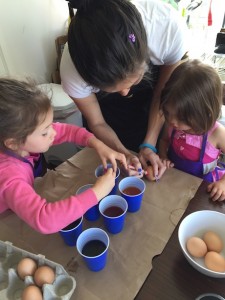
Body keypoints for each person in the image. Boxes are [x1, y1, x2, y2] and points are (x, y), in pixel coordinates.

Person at [60, 0, 188, 179]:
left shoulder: (167, 30)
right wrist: (124, 153)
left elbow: (162, 96)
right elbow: (97, 123)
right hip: (110, 116)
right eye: (111, 89)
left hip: (152, 102)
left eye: (133, 81)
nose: (125, 93)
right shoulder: (72, 71)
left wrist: (149, 144)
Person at [0, 78, 127, 233]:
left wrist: (98, 144)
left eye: (51, 124)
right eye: (45, 132)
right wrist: (98, 192)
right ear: (12, 143)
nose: (53, 132)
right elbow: (44, 218)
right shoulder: (9, 176)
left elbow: (69, 131)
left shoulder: (20, 142)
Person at [159, 59, 225, 201]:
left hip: (204, 190)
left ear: (205, 112)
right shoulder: (171, 123)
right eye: (168, 112)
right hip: (174, 182)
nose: (172, 121)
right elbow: (164, 140)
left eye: (182, 118)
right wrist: (163, 156)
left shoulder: (217, 134)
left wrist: (223, 184)